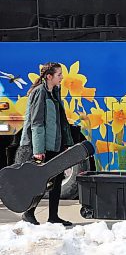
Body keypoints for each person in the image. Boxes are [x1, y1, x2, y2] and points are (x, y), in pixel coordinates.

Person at [17, 62, 74, 226]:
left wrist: (65, 142)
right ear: (49, 76)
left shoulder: (53, 92)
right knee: (41, 182)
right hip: (41, 147)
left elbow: (59, 121)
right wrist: (38, 150)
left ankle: (53, 216)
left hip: (54, 144)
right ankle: (28, 213)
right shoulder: (40, 92)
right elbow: (36, 124)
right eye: (59, 74)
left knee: (56, 181)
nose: (62, 77)